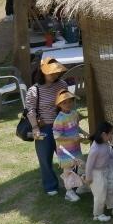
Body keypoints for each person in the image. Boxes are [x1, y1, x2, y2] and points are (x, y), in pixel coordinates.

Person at [26, 58, 70, 196]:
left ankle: (72, 184)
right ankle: (50, 185)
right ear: (43, 72)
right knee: (45, 158)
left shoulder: (62, 84)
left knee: (68, 156)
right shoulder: (34, 90)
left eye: (57, 72)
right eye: (51, 73)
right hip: (44, 128)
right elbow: (30, 111)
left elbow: (67, 102)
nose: (55, 75)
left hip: (62, 126)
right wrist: (35, 127)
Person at [51, 90, 87, 201]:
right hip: (65, 150)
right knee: (68, 171)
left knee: (81, 166)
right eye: (64, 102)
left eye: (70, 101)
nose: (68, 104)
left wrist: (84, 132)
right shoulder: (59, 119)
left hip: (76, 148)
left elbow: (76, 127)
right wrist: (72, 139)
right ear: (59, 105)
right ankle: (69, 192)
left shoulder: (74, 113)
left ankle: (81, 187)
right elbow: (57, 136)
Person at [84, 122, 113, 221]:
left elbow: (109, 153)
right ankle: (98, 214)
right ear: (104, 134)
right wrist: (88, 177)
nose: (112, 135)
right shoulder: (95, 149)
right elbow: (89, 165)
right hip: (97, 173)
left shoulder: (105, 143)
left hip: (107, 169)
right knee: (100, 193)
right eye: (111, 133)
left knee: (111, 189)